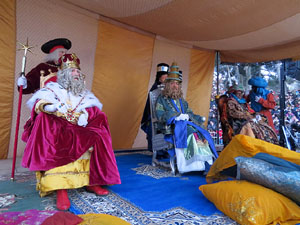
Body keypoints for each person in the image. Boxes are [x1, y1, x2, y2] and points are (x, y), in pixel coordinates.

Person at [21, 53, 121, 211]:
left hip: (81, 128)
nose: (77, 75)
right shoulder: (52, 89)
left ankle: (92, 182)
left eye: (78, 72)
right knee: (48, 124)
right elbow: (39, 103)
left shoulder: (85, 94)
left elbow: (94, 110)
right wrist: (50, 108)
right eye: (73, 72)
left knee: (97, 131)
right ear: (64, 75)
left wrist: (86, 115)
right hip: (60, 128)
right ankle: (61, 188)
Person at [155, 62, 218, 173]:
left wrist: (197, 119)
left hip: (187, 124)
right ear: (168, 84)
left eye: (177, 84)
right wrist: (176, 116)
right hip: (171, 126)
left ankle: (204, 163)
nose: (175, 86)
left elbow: (189, 113)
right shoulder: (162, 98)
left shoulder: (181, 100)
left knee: (202, 132)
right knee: (190, 133)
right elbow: (159, 115)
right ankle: (189, 166)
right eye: (172, 83)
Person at [141, 63, 169, 157]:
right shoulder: (155, 89)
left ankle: (167, 150)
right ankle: (159, 150)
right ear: (159, 77)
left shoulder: (168, 89)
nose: (165, 80)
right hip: (156, 115)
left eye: (167, 78)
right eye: (164, 78)